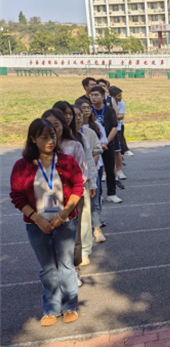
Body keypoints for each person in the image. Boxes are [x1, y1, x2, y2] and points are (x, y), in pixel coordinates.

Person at [10, 119, 84, 326]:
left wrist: (62, 215)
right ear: (33, 139)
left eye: (52, 136)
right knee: (48, 268)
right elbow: (17, 197)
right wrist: (37, 219)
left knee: (66, 266)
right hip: (36, 225)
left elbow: (78, 187)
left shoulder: (67, 161)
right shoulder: (22, 166)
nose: (50, 140)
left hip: (65, 221)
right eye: (44, 137)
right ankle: (51, 309)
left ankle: (69, 306)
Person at [42, 109, 88, 286]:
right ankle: (55, 270)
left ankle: (74, 269)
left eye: (57, 125)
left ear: (63, 126)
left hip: (72, 197)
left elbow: (83, 173)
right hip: (48, 198)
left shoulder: (74, 145)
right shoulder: (39, 148)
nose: (53, 129)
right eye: (49, 125)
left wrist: (73, 196)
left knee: (72, 235)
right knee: (51, 233)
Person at [72, 103, 102, 265]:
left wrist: (92, 181)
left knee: (84, 218)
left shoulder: (84, 136)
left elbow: (90, 160)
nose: (77, 118)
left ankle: (84, 251)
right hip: (63, 187)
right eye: (73, 115)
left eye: (79, 115)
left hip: (81, 184)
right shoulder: (59, 137)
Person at [76, 98, 107, 244]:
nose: (85, 112)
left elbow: (96, 151)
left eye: (88, 108)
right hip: (75, 175)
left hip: (91, 171)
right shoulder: (67, 133)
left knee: (94, 201)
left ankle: (97, 229)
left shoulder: (91, 131)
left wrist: (89, 169)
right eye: (82, 109)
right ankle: (80, 232)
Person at [89, 86, 122, 203]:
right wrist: (98, 144)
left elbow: (114, 127)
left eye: (96, 95)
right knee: (96, 170)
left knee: (110, 169)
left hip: (107, 144)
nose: (93, 97)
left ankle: (112, 194)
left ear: (103, 96)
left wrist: (105, 142)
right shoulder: (89, 110)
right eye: (92, 95)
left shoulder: (110, 110)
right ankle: (98, 194)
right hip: (93, 146)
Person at [108, 87, 127, 181]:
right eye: (119, 96)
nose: (121, 97)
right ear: (113, 96)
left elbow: (121, 116)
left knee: (117, 150)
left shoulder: (121, 103)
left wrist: (112, 116)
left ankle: (119, 170)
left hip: (117, 129)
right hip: (107, 129)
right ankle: (106, 172)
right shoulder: (107, 102)